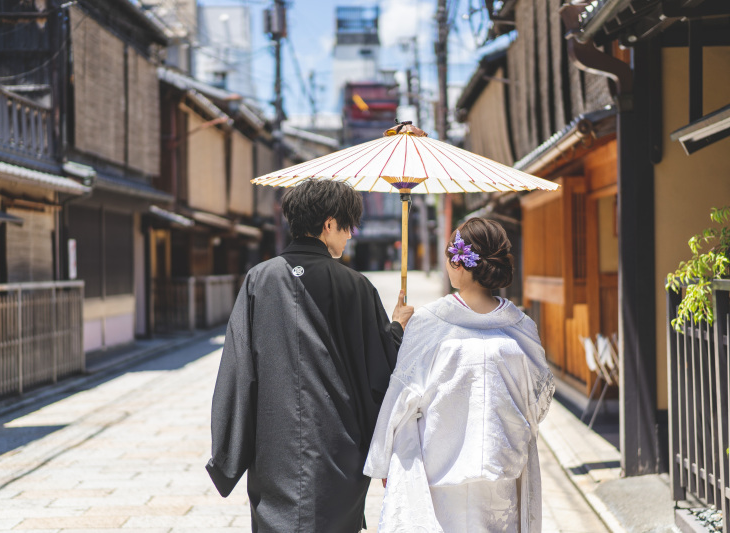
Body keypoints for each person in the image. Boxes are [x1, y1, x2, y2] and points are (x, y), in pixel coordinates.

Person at [206, 178, 414, 533]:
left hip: (273, 446)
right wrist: (397, 328)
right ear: (329, 224)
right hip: (336, 447)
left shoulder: (259, 280)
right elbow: (380, 369)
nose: (350, 235)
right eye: (348, 226)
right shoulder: (356, 286)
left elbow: (239, 370)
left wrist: (228, 452)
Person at [364, 217, 554, 533]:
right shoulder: (519, 326)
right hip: (500, 471)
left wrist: (384, 457)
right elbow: (538, 400)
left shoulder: (429, 322)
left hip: (440, 470)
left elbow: (401, 397)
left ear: (460, 263)